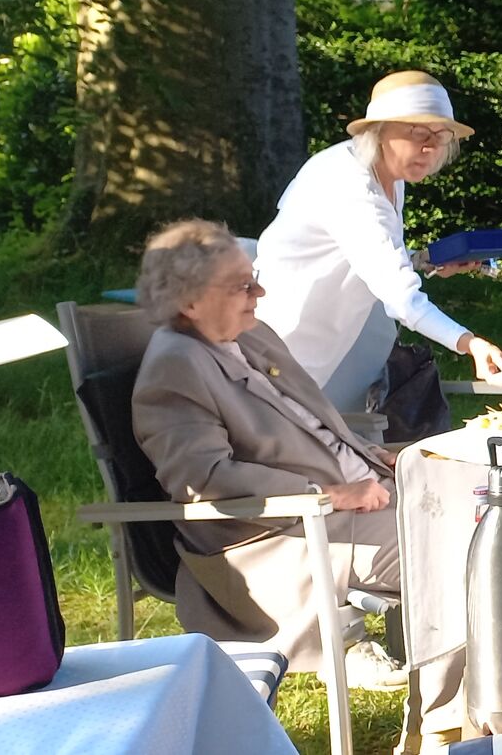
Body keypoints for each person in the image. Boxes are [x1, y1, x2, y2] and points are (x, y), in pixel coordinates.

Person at [130, 219, 463, 748]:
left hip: (357, 499)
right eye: (242, 285)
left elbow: (311, 425)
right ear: (190, 301)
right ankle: (448, 729)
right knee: (463, 552)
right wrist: (330, 493)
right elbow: (204, 479)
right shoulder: (175, 367)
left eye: (254, 278)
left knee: (500, 510)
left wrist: (370, 456)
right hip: (280, 535)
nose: (259, 293)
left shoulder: (249, 335)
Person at [255, 70, 502, 414]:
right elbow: (401, 298)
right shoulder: (349, 183)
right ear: (378, 131)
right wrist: (470, 343)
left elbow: (371, 256)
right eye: (418, 133)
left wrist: (424, 261)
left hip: (304, 363)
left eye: (441, 136)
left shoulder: (389, 176)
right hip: (271, 356)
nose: (430, 148)